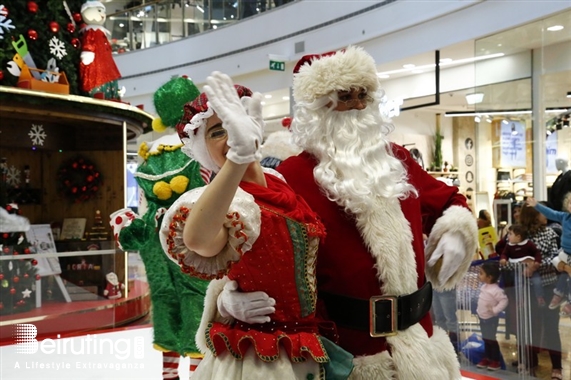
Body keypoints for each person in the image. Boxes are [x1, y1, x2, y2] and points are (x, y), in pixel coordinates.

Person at [217, 46, 479, 379]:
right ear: (317, 107)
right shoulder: (291, 176)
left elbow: (450, 200)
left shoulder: (397, 161)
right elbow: (250, 250)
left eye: (364, 95)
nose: (357, 105)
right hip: (345, 358)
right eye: (344, 96)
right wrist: (227, 299)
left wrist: (457, 231)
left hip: (423, 348)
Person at [160, 73, 353, 379]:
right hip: (257, 356)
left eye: (237, 122)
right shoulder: (224, 201)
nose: (230, 135)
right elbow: (197, 240)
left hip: (305, 346)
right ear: (201, 148)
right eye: (216, 131)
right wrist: (238, 157)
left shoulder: (279, 181)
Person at [111, 76, 210, 380]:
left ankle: (170, 374)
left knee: (166, 302)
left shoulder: (149, 158)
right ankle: (193, 372)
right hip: (192, 240)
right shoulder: (198, 150)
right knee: (196, 303)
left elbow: (145, 212)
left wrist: (133, 230)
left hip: (158, 244)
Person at [508, 203, 563, 378]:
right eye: (542, 212)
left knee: (551, 327)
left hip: (548, 286)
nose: (546, 215)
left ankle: (557, 367)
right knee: (528, 327)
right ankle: (530, 363)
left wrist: (535, 265)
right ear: (534, 215)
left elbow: (555, 258)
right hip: (525, 288)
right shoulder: (520, 235)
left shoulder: (549, 233)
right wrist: (519, 264)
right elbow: (508, 259)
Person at [528, 194, 571, 316]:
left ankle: (568, 300)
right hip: (565, 252)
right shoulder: (565, 217)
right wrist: (536, 205)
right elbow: (551, 213)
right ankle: (559, 294)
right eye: (570, 203)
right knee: (563, 270)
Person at [498, 224, 544, 306]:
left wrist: (537, 261)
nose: (508, 236)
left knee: (537, 281)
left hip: (531, 267)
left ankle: (539, 297)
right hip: (517, 269)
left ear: (518, 237)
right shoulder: (509, 245)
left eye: (510, 234)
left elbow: (537, 253)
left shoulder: (528, 244)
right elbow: (504, 254)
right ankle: (520, 299)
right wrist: (503, 259)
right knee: (518, 283)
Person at [476, 261, 508, 371]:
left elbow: (504, 301)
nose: (479, 275)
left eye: (481, 273)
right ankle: (487, 357)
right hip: (482, 318)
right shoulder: (484, 287)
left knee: (491, 340)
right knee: (486, 338)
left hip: (491, 319)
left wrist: (495, 310)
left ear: (489, 277)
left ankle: (496, 360)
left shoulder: (496, 290)